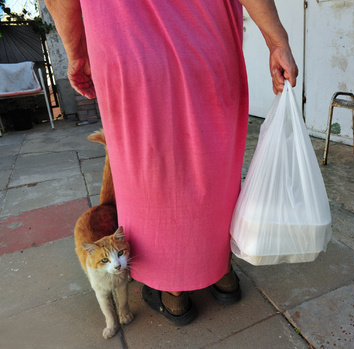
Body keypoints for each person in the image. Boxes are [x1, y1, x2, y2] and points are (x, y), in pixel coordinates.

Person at [44, 0, 298, 325]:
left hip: (126, 49)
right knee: (212, 165)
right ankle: (221, 271)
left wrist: (75, 49)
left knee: (146, 172)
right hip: (209, 46)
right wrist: (277, 40)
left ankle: (174, 292)